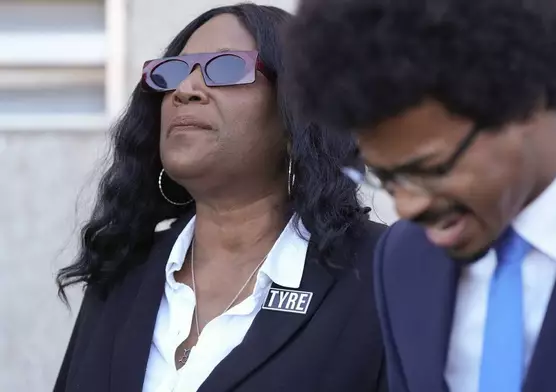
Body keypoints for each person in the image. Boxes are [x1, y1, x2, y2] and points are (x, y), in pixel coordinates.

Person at [283, 0, 556, 391]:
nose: (407, 206)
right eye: (384, 177)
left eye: (430, 170)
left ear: (523, 100)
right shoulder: (403, 259)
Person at [54, 4, 387, 392]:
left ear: (295, 110)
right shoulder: (123, 272)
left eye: (226, 67)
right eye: (175, 72)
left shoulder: (379, 272)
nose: (185, 90)